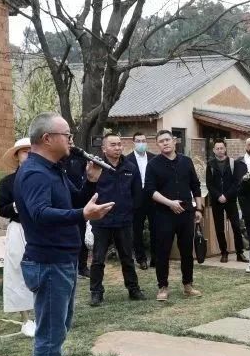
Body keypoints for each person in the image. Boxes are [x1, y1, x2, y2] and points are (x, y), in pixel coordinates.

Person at [17, 112, 113, 356]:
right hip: (48, 261)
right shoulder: (35, 173)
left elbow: (75, 201)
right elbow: (40, 214)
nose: (71, 140)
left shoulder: (52, 169)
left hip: (61, 259)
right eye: (66, 135)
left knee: (57, 327)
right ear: (47, 139)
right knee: (51, 331)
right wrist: (82, 215)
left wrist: (90, 181)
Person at [85, 132, 146, 306]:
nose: (117, 148)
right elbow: (88, 192)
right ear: (104, 148)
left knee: (127, 258)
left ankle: (133, 289)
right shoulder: (96, 167)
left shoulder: (130, 167)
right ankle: (96, 293)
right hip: (101, 221)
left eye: (119, 144)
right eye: (113, 145)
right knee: (98, 259)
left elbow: (137, 194)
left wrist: (130, 211)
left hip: (124, 221)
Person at [144, 129, 203, 301]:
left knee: (187, 251)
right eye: (161, 141)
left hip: (186, 213)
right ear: (158, 145)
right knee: (162, 252)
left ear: (174, 141)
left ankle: (188, 285)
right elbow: (150, 190)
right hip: (163, 214)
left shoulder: (186, 161)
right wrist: (170, 203)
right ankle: (162, 287)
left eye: (167, 140)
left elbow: (196, 186)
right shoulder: (153, 165)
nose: (165, 143)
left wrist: (199, 209)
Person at [0, 138, 36, 337]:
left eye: (32, 150)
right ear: (17, 155)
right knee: (18, 270)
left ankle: (47, 313)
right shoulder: (8, 182)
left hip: (42, 229)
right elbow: (1, 208)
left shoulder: (44, 177)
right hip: (19, 228)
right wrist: (15, 205)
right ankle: (26, 318)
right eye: (24, 151)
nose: (28, 154)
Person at [205, 139, 247, 263]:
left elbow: (236, 182)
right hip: (216, 201)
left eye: (221, 148)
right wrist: (218, 196)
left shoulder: (233, 163)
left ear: (225, 149)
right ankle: (224, 252)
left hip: (231, 200)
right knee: (219, 228)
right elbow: (209, 184)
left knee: (236, 227)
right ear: (214, 150)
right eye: (217, 148)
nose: (220, 150)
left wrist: (226, 196)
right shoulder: (210, 165)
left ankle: (240, 253)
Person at [60, 147, 91, 278]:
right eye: (66, 138)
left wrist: (91, 181)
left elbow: (83, 181)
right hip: (61, 207)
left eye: (70, 138)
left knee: (81, 236)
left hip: (78, 202)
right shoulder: (57, 162)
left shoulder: (80, 157)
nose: (69, 142)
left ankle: (82, 267)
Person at [126, 132, 153, 269]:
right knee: (137, 230)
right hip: (136, 198)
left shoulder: (154, 158)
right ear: (134, 143)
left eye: (143, 140)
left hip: (153, 197)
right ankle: (141, 258)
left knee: (156, 228)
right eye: (138, 141)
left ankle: (156, 257)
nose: (141, 143)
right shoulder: (127, 160)